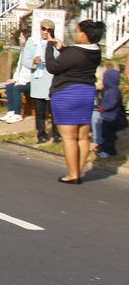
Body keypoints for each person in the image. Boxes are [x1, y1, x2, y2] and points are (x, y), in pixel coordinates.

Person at [46, 20, 105, 184]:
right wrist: (63, 49)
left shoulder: (75, 52)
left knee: (69, 137)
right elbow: (76, 59)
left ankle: (72, 174)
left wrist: (49, 47)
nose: (75, 34)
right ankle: (78, 171)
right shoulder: (96, 51)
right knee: (83, 136)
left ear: (84, 35)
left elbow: (53, 67)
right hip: (86, 92)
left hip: (67, 93)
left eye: (78, 31)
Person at [29, 19, 61, 144]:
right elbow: (26, 61)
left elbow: (61, 60)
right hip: (38, 79)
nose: (46, 32)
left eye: (49, 30)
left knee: (54, 111)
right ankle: (41, 134)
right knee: (40, 111)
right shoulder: (32, 42)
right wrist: (33, 62)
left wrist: (55, 46)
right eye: (44, 29)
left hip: (52, 81)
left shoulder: (56, 43)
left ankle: (56, 133)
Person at [0, 26, 35, 124]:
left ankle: (17, 114)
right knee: (10, 85)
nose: (19, 38)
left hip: (31, 81)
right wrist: (15, 79)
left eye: (21, 37)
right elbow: (20, 68)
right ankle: (11, 111)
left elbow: (29, 69)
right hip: (22, 80)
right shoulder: (23, 50)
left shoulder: (31, 51)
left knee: (16, 88)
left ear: (26, 38)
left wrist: (21, 82)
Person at [96, 68, 124, 158]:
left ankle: (109, 151)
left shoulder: (112, 91)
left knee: (108, 136)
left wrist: (102, 108)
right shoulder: (111, 90)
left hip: (110, 118)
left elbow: (112, 103)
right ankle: (107, 149)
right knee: (107, 135)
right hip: (108, 117)